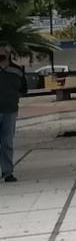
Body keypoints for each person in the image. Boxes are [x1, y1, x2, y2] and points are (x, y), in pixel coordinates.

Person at [0, 44, 28, 183]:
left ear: (9, 52)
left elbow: (23, 89)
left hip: (10, 111)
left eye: (4, 49)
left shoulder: (17, 70)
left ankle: (7, 172)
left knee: (7, 142)